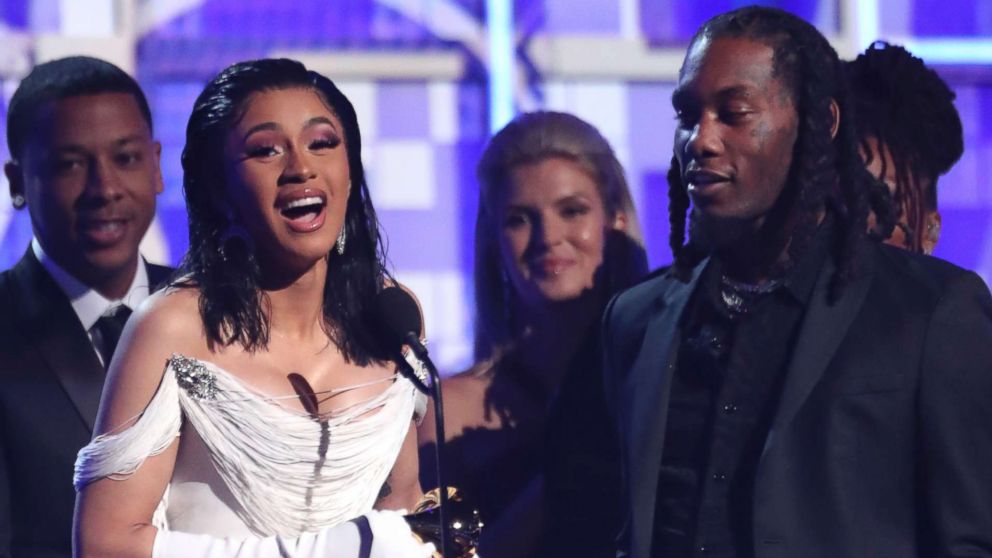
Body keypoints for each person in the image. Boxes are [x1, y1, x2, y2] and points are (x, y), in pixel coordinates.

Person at [602, 7, 992, 558]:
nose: (701, 140)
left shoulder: (930, 313)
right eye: (688, 115)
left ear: (817, 122)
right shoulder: (637, 321)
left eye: (733, 113)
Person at [73, 59, 434, 557]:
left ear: (350, 173)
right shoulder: (172, 328)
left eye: (323, 143)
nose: (301, 168)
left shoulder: (389, 312)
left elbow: (401, 512)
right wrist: (331, 549)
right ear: (219, 190)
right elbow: (104, 545)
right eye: (265, 150)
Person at [419, 111, 647, 557]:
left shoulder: (660, 376)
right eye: (520, 219)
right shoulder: (449, 412)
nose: (549, 237)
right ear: (494, 241)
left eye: (572, 211)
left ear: (615, 220)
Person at [0, 55, 170, 558]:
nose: (105, 189)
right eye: (70, 165)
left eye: (126, 158)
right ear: (16, 183)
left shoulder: (222, 311)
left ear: (156, 166)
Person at [846, 41, 964, 254]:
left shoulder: (962, 287)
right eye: (834, 200)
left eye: (880, 200)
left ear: (930, 230)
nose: (858, 221)